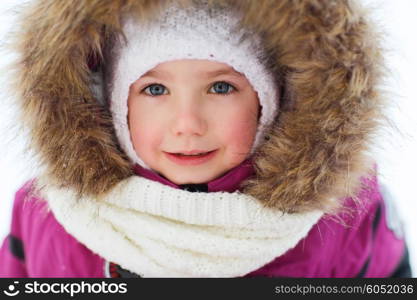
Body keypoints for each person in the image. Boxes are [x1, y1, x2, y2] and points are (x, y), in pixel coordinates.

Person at [0, 0, 412, 277]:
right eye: (155, 90)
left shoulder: (344, 211)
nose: (188, 124)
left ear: (272, 101)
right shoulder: (48, 214)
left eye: (221, 88)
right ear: (110, 104)